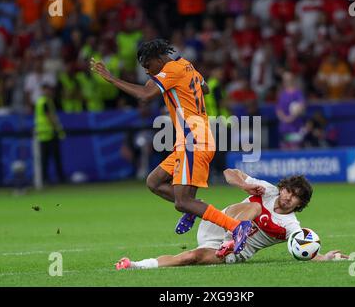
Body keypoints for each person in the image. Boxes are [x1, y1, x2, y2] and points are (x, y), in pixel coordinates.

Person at [90, 39, 253, 254]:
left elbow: (145, 96)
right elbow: (204, 89)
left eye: (148, 66)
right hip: (190, 141)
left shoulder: (172, 70)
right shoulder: (186, 65)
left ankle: (237, 226)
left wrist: (111, 78)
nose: (147, 71)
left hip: (194, 140)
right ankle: (195, 207)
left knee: (182, 202)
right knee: (154, 182)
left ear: (159, 59)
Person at [115, 169, 349, 270]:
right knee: (255, 209)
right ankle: (203, 213)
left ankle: (135, 265)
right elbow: (229, 172)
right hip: (219, 224)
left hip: (233, 252)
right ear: (283, 188)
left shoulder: (290, 225)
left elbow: (303, 248)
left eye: (296, 197)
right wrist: (244, 184)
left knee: (191, 257)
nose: (289, 198)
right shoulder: (267, 190)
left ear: (301, 204)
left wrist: (326, 257)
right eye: (289, 191)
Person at [34, 83, 66, 184]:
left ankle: (45, 179)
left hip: (43, 134)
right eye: (47, 90)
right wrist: (58, 128)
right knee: (53, 158)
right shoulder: (45, 102)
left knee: (46, 159)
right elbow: (49, 117)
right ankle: (57, 179)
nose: (50, 92)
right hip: (49, 133)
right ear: (43, 90)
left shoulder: (42, 101)